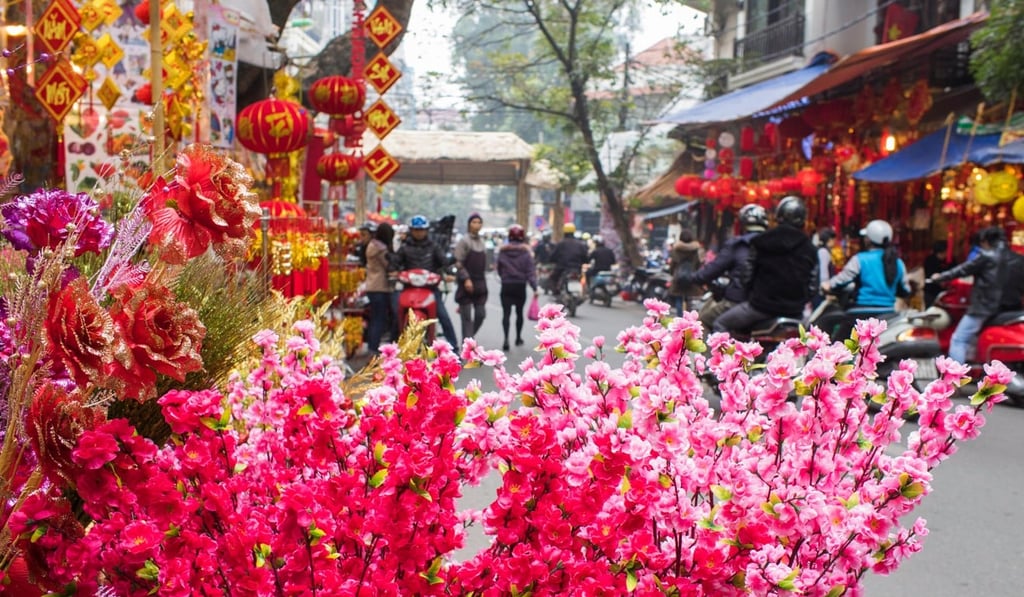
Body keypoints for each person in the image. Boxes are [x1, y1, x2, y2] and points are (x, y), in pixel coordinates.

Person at [713, 196, 818, 335]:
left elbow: (747, 276)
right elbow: (813, 286)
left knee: (720, 324)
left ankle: (726, 357)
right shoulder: (810, 248)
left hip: (759, 307)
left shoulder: (761, 241)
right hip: (795, 312)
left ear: (778, 216)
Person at [927, 226, 1024, 363]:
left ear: (985, 241)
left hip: (985, 307)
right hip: (1013, 309)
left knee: (959, 339)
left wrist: (939, 277)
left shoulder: (986, 256)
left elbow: (961, 270)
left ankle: (955, 378)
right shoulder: (1020, 259)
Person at [677, 203, 767, 332]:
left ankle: (710, 352)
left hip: (740, 301)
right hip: (772, 305)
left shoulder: (738, 245)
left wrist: (693, 277)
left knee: (704, 321)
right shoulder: (775, 245)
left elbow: (712, 270)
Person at [820, 220, 911, 340]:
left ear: (868, 239)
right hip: (889, 314)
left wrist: (828, 285)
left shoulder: (860, 259)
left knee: (837, 348)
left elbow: (841, 280)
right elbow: (905, 290)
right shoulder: (898, 263)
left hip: (860, 314)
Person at [392, 214, 458, 346]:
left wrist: (449, 272)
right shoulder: (404, 247)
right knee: (395, 314)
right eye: (416, 230)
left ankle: (454, 347)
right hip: (409, 289)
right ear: (411, 230)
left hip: (430, 290)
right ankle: (393, 348)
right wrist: (392, 270)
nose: (419, 233)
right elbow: (395, 262)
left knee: (443, 316)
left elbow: (444, 261)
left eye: (421, 230)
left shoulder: (434, 247)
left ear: (426, 230)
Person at [496, 224, 538, 351]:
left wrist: (505, 277)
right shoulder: (526, 253)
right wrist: (534, 287)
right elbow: (530, 272)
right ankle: (518, 338)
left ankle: (506, 340)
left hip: (506, 285)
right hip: (520, 286)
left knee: (506, 314)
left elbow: (499, 268)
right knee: (519, 313)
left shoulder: (502, 252)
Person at [454, 213, 489, 342]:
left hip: (480, 283)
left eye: (479, 222)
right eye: (474, 222)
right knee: (467, 319)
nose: (477, 225)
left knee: (481, 314)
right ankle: (467, 349)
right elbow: (458, 262)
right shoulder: (464, 241)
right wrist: (466, 278)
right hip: (466, 284)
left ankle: (468, 338)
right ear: (469, 224)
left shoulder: (482, 242)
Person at [363, 223, 395, 355]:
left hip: (371, 286)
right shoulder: (381, 250)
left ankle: (372, 345)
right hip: (380, 287)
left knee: (375, 318)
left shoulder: (372, 246)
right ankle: (373, 348)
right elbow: (388, 266)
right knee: (379, 319)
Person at [668, 228, 704, 316]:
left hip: (678, 278)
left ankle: (680, 318)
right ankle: (688, 319)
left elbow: (673, 264)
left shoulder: (676, 250)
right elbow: (698, 264)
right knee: (690, 301)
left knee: (679, 299)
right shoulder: (696, 250)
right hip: (692, 277)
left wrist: (673, 273)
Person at [549, 222, 588, 291]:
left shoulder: (561, 244)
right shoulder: (580, 244)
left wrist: (552, 260)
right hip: (577, 269)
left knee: (552, 278)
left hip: (562, 268)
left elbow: (553, 256)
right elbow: (585, 257)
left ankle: (556, 292)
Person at [813, 227, 837, 308]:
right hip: (820, 293)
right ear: (830, 240)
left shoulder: (819, 250)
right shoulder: (824, 252)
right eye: (834, 239)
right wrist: (825, 292)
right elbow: (824, 274)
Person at [923, 240, 952, 307]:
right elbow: (930, 275)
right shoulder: (930, 260)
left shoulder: (950, 260)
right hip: (931, 292)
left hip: (943, 292)